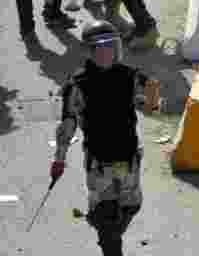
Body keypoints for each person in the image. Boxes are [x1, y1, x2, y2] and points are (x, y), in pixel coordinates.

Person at [51, 19, 161, 256]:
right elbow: (67, 125)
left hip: (129, 160)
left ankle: (108, 231)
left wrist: (152, 97)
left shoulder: (128, 75)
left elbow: (151, 97)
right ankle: (108, 240)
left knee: (131, 206)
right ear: (89, 50)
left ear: (117, 48)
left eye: (109, 45)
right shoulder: (77, 83)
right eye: (97, 47)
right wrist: (59, 159)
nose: (104, 52)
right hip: (99, 164)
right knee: (105, 217)